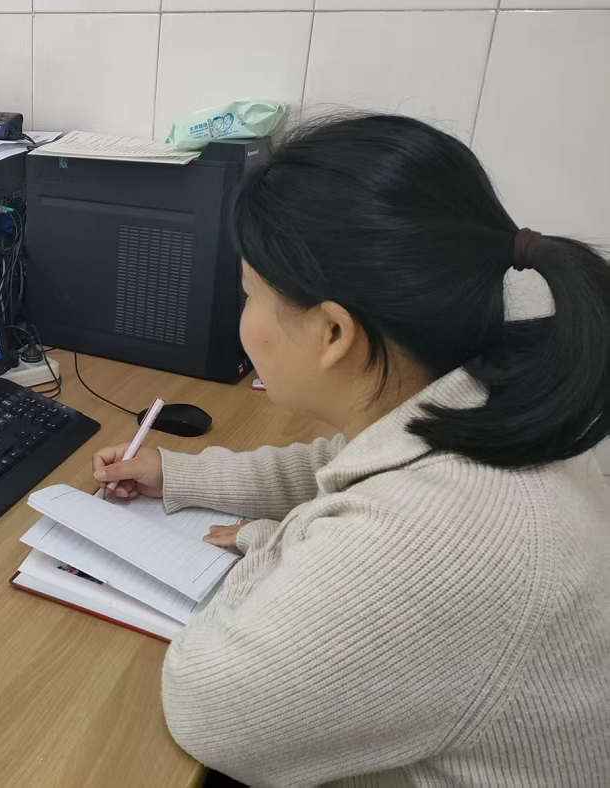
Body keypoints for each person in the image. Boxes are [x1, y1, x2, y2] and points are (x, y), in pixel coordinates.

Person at [92, 115, 609, 787]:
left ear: (334, 332)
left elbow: (205, 705)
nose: (241, 318)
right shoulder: (484, 397)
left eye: (248, 296)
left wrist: (271, 541)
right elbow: (340, 462)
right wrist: (180, 474)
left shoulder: (431, 538)